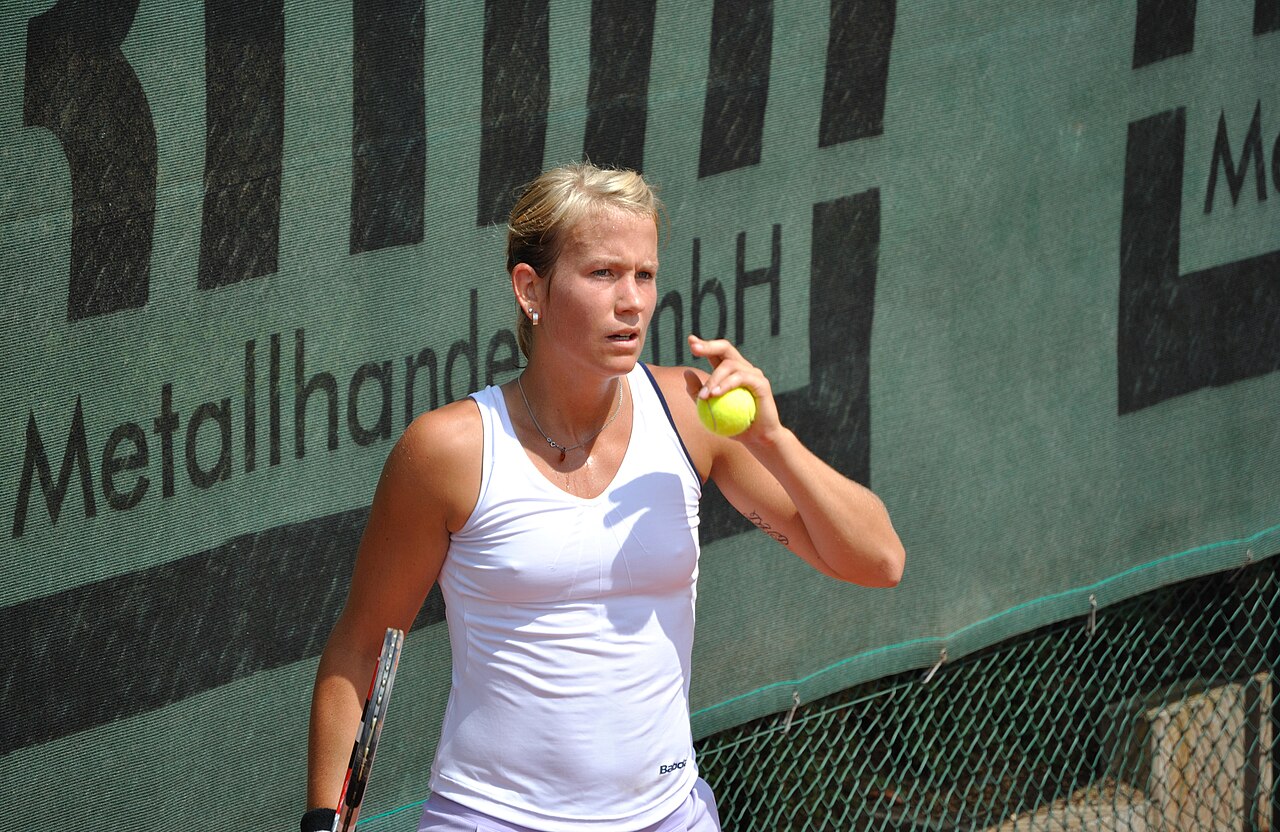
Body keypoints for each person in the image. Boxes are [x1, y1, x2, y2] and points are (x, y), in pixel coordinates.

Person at [304, 162, 905, 832]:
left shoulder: (690, 414)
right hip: (493, 818)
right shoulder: (449, 451)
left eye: (644, 274)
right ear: (532, 289)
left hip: (670, 818)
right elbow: (362, 648)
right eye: (603, 274)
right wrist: (325, 821)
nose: (633, 301)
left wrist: (775, 441)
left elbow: (878, 562)